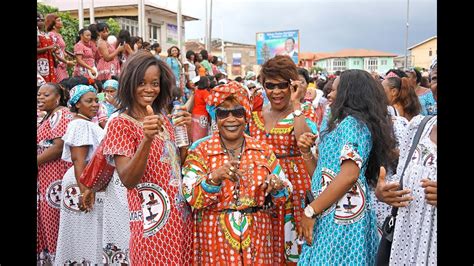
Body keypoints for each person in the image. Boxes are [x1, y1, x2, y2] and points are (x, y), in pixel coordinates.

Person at [182, 81, 292, 265]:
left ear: (246, 116)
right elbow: (190, 195)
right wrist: (214, 177)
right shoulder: (200, 150)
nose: (231, 119)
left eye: (238, 112)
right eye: (223, 113)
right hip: (214, 239)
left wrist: (276, 185)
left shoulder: (262, 150)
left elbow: (286, 190)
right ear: (215, 117)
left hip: (258, 239)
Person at [101, 51, 193, 264]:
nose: (149, 89)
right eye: (141, 83)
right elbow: (128, 179)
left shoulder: (163, 119)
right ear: (129, 83)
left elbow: (179, 167)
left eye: (155, 83)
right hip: (152, 224)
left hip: (181, 221)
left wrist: (184, 134)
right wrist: (146, 139)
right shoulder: (119, 124)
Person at [296, 69, 396, 265]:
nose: (329, 94)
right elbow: (323, 177)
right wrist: (307, 153)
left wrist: (310, 211)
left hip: (343, 221)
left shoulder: (353, 125)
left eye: (335, 90)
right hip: (329, 214)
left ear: (349, 94)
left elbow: (349, 175)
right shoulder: (340, 124)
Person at [249, 55, 319, 264]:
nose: (277, 91)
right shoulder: (255, 114)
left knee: (295, 249)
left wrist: (296, 103)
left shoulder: (305, 111)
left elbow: (303, 141)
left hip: (296, 190)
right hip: (263, 189)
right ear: (263, 85)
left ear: (292, 85)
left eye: (283, 85)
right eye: (270, 85)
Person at [375, 62, 437, 265]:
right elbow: (398, 183)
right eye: (435, 78)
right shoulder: (419, 127)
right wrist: (384, 193)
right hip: (406, 247)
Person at [55, 85, 105, 265]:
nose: (95, 104)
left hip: (85, 180)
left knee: (87, 228)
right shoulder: (79, 124)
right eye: (89, 101)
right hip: (82, 180)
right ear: (76, 104)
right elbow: (79, 159)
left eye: (96, 100)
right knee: (84, 228)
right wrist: (84, 190)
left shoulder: (87, 123)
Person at [37, 82, 73, 264]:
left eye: (46, 95)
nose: (40, 98)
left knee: (54, 220)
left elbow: (58, 147)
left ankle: (59, 259)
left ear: (57, 97)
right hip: (45, 175)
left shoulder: (61, 114)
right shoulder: (49, 116)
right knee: (47, 220)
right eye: (39, 95)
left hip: (55, 175)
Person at [45, 14, 75, 83]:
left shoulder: (58, 35)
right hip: (57, 65)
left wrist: (67, 55)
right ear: (52, 23)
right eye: (58, 20)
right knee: (61, 85)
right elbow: (54, 53)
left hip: (62, 64)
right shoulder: (51, 35)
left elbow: (61, 49)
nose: (61, 22)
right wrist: (66, 62)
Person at [37, 12, 58, 83]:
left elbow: (51, 48)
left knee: (50, 84)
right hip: (40, 63)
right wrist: (48, 48)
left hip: (48, 62)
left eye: (42, 20)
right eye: (38, 20)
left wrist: (54, 49)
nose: (41, 22)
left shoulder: (44, 34)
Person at [190, 76, 211, 142]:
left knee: (195, 133)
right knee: (202, 134)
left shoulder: (196, 91)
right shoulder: (205, 92)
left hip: (194, 114)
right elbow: (210, 102)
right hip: (202, 115)